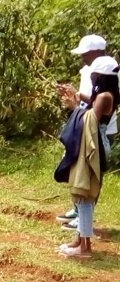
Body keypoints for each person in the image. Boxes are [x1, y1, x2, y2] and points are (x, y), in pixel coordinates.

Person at [56, 57, 119, 257]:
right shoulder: (104, 95)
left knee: (86, 194)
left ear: (101, 76)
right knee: (83, 195)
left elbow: (90, 120)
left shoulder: (105, 97)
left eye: (93, 75)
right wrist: (75, 98)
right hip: (92, 143)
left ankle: (85, 247)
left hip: (94, 146)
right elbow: (89, 111)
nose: (91, 78)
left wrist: (74, 107)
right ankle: (79, 241)